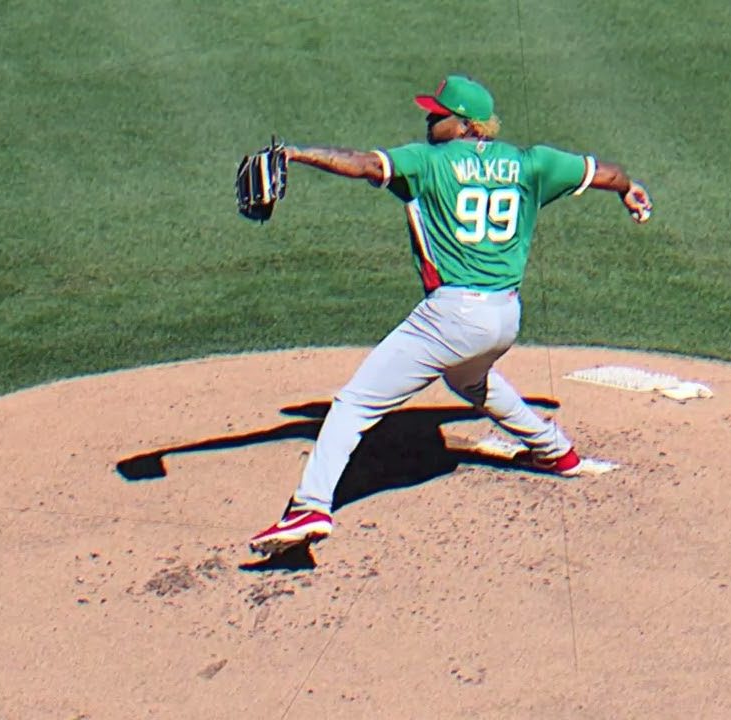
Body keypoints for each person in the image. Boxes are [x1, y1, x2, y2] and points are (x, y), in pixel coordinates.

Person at [248, 74, 653, 556]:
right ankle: (554, 451)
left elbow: (360, 164)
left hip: (451, 316)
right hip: (504, 318)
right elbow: (607, 172)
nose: (429, 119)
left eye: (438, 115)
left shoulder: (428, 162)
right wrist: (629, 190)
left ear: (465, 126)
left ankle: (310, 506)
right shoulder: (533, 163)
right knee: (470, 382)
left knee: (355, 403)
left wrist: (296, 153)